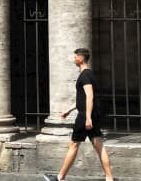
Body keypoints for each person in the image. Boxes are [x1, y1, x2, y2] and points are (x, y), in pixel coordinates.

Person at [43, 48, 114, 181]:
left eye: (75, 57)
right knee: (99, 145)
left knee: (74, 145)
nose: (73, 59)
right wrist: (68, 110)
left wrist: (87, 117)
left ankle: (60, 178)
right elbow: (82, 98)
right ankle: (109, 178)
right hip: (90, 114)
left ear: (81, 58)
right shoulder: (90, 74)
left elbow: (89, 96)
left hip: (85, 116)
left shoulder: (85, 75)